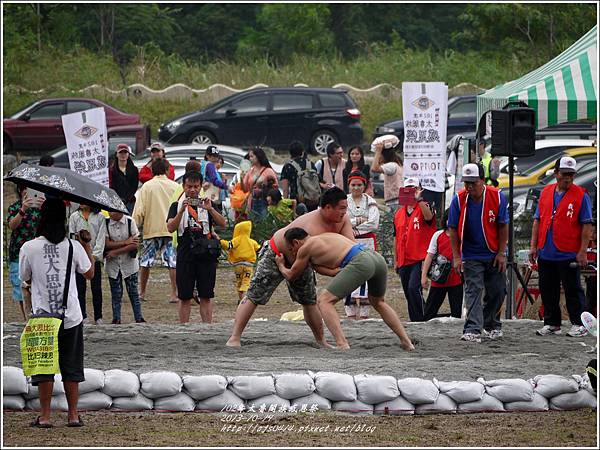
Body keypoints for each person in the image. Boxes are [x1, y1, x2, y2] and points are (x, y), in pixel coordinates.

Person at [226, 187, 355, 347]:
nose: (344, 212)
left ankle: (321, 341)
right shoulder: (311, 228)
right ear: (328, 207)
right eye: (341, 208)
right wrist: (333, 271)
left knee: (309, 300)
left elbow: (351, 247)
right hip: (276, 253)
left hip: (303, 258)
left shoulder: (343, 220)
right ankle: (234, 337)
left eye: (345, 208)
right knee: (254, 294)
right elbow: (312, 265)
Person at [19, 198, 94, 428]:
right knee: (71, 366)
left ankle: (45, 416)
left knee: (44, 368)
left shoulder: (29, 247)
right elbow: (89, 274)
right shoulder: (73, 245)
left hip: (42, 316)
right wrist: (86, 244)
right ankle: (73, 415)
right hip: (71, 315)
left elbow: (25, 277)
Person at [275, 228, 415, 351]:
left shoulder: (305, 248)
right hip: (376, 258)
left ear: (296, 243)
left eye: (290, 250)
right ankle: (406, 342)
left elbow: (291, 275)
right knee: (378, 302)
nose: (292, 254)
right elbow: (335, 271)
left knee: (324, 301)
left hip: (360, 261)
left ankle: (342, 343)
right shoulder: (324, 237)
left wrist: (280, 264)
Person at [529, 156, 593, 337]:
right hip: (546, 250)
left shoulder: (581, 195)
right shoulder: (546, 192)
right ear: (556, 173)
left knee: (573, 289)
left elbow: (587, 224)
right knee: (547, 289)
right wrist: (533, 246)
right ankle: (551, 322)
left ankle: (579, 323)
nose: (568, 178)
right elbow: (537, 220)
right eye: (565, 174)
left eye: (571, 175)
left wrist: (582, 251)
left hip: (568, 251)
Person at [448, 163, 509, 343]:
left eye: (473, 182)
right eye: (467, 182)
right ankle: (473, 328)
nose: (470, 187)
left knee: (498, 291)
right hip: (471, 253)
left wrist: (501, 252)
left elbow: (503, 225)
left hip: (493, 252)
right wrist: (457, 257)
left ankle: (491, 324)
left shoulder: (497, 197)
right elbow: (452, 228)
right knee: (473, 290)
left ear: (483, 180)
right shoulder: (458, 200)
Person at [167, 170, 226, 323]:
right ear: (183, 187)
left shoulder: (207, 203)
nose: (192, 190)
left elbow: (223, 224)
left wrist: (210, 209)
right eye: (189, 186)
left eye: (195, 186)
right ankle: (183, 327)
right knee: (184, 296)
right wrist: (181, 211)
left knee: (206, 295)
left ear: (201, 187)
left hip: (205, 254)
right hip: (185, 253)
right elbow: (170, 228)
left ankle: (207, 327)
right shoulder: (176, 205)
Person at [132, 158, 180, 303]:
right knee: (172, 262)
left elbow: (139, 211)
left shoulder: (147, 187)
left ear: (152, 171)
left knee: (145, 262)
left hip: (151, 230)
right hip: (171, 230)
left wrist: (134, 228)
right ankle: (174, 293)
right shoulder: (175, 186)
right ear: (167, 170)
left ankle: (142, 292)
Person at [393, 177, 436, 322]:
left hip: (419, 258)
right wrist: (396, 260)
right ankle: (415, 320)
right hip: (404, 258)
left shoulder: (424, 206)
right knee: (408, 292)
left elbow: (429, 217)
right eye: (408, 188)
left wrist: (419, 200)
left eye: (414, 188)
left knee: (413, 288)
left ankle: (422, 318)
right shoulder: (399, 213)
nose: (411, 191)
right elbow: (396, 237)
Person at [99, 211, 145, 324]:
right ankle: (116, 318)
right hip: (113, 264)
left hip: (129, 263)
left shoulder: (130, 221)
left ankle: (139, 317)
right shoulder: (105, 222)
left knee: (133, 292)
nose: (110, 213)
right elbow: (105, 243)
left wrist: (115, 251)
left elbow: (135, 244)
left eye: (113, 211)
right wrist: (125, 242)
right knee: (116, 293)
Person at [345, 170, 380, 319]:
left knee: (367, 274)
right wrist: (356, 221)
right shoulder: (344, 201)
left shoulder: (370, 201)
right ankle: (350, 312)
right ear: (349, 185)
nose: (356, 188)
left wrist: (354, 229)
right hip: (348, 242)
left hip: (367, 242)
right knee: (347, 273)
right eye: (353, 185)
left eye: (359, 185)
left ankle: (365, 313)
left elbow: (373, 224)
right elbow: (341, 220)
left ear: (364, 185)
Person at [7, 185, 43, 321]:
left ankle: (37, 314)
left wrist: (42, 208)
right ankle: (25, 318)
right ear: (21, 192)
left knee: (36, 284)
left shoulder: (40, 209)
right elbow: (12, 225)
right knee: (19, 285)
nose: (28, 193)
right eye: (25, 190)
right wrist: (23, 210)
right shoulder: (14, 207)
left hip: (37, 253)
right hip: (18, 252)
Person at [421, 209, 463, 320]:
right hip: (438, 279)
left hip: (456, 280)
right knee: (429, 313)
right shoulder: (438, 235)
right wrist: (424, 276)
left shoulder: (462, 236)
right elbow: (429, 255)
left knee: (456, 314)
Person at [69, 204, 105, 325]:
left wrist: (94, 256)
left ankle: (98, 316)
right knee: (80, 288)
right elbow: (72, 236)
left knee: (96, 288)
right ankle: (82, 315)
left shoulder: (99, 217)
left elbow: (101, 238)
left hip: (94, 256)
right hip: (79, 257)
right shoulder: (74, 217)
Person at [220, 220, 260, 304]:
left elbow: (228, 245)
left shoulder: (236, 240)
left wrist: (220, 241)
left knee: (239, 282)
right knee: (246, 282)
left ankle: (240, 299)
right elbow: (259, 248)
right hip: (249, 265)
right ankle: (244, 301)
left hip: (238, 266)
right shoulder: (251, 241)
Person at [279, 140, 319, 213]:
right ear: (302, 152)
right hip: (313, 201)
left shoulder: (288, 167)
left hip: (297, 202)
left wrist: (285, 204)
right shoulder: (311, 164)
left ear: (290, 153)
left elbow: (285, 189)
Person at [241, 147, 279, 219]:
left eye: (252, 156)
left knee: (264, 224)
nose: (250, 159)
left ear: (258, 157)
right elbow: (245, 189)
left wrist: (263, 186)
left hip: (264, 202)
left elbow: (275, 187)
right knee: (252, 225)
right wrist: (241, 177)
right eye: (249, 157)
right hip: (252, 202)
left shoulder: (268, 171)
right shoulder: (250, 171)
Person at [370, 140, 403, 213]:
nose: (378, 158)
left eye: (379, 156)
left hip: (395, 202)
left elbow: (374, 168)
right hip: (397, 201)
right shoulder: (397, 164)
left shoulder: (391, 165)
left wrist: (378, 152)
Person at [109, 143, 139, 215]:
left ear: (128, 154)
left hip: (130, 202)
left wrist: (127, 199)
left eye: (125, 152)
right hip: (116, 201)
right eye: (120, 152)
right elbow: (112, 186)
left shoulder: (134, 169)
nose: (123, 155)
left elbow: (134, 186)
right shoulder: (112, 170)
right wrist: (119, 199)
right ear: (116, 154)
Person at [201, 145, 229, 213]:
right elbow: (214, 180)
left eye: (217, 156)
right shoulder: (210, 165)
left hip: (206, 196)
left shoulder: (204, 164)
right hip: (211, 197)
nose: (216, 159)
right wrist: (226, 187)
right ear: (207, 156)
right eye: (213, 156)